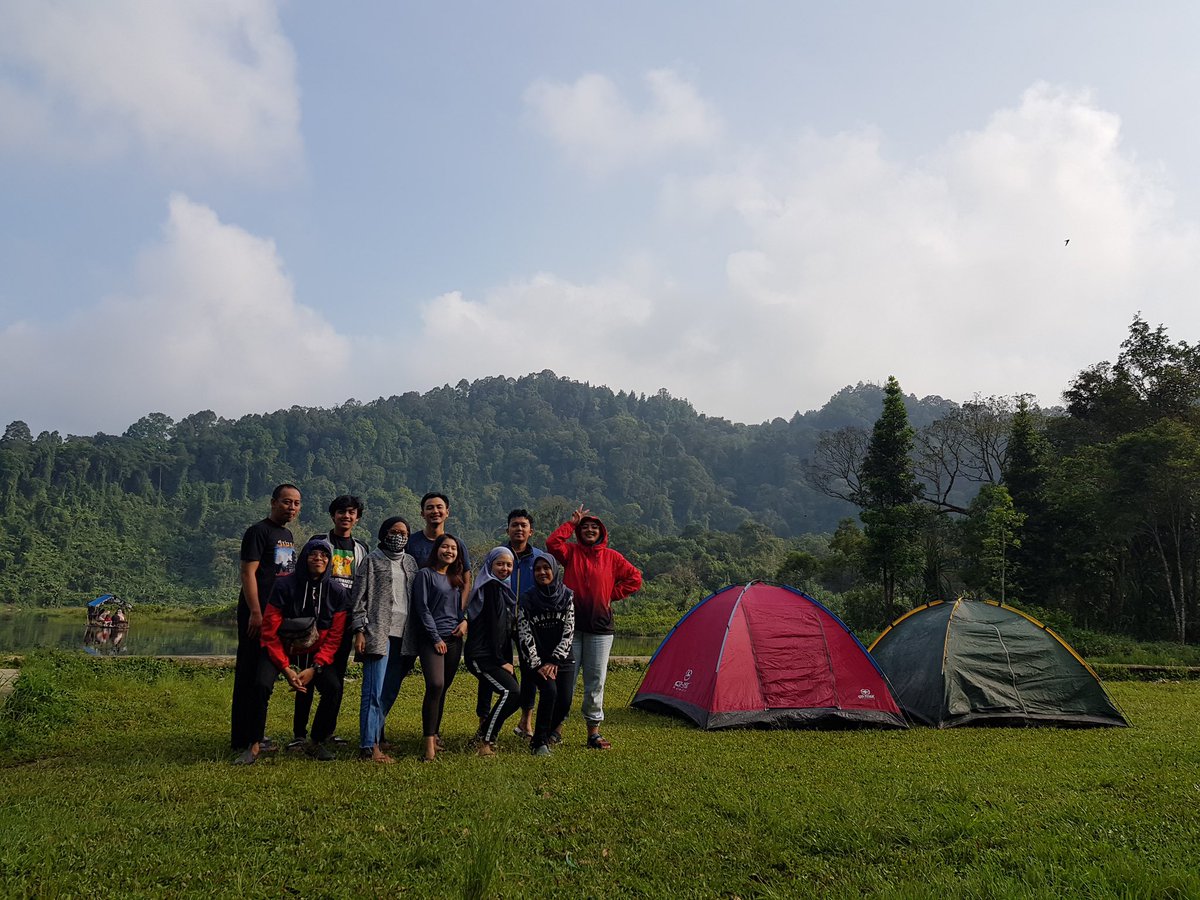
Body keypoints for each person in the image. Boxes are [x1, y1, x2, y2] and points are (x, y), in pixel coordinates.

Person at [235, 537, 348, 765]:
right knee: (261, 685)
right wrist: (285, 668)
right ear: (304, 558)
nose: (318, 558)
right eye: (313, 554)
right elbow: (269, 629)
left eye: (324, 555)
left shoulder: (336, 591)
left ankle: (315, 741)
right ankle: (254, 743)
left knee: (334, 688)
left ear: (330, 561)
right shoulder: (285, 585)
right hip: (282, 649)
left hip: (316, 654)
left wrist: (316, 668)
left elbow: (335, 636)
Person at [546, 505, 642, 749]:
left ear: (601, 532)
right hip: (570, 627)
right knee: (566, 680)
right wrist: (571, 523)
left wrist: (612, 594)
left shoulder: (612, 557)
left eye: (594, 527)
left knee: (595, 680)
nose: (589, 530)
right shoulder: (571, 552)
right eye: (585, 527)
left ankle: (593, 732)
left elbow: (635, 578)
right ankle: (556, 729)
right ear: (579, 531)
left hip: (600, 628)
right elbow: (552, 543)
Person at [290, 495, 369, 750]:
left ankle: (326, 731)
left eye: (351, 513)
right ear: (333, 515)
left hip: (344, 620)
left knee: (335, 675)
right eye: (341, 512)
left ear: (357, 517)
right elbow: (301, 575)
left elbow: (362, 586)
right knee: (307, 676)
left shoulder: (361, 548)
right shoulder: (318, 542)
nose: (346, 516)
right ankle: (299, 734)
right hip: (313, 622)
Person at [231, 483, 300, 755]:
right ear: (273, 503)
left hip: (277, 614)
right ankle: (243, 738)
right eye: (286, 502)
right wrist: (256, 612)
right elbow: (248, 573)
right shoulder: (258, 532)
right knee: (248, 673)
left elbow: (286, 576)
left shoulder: (286, 535)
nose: (291, 507)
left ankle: (256, 734)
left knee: (263, 674)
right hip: (256, 614)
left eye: (296, 503)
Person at [350, 516, 418, 763]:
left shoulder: (411, 562)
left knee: (389, 690)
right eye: (393, 531)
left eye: (403, 532)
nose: (398, 536)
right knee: (373, 691)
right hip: (378, 633)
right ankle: (368, 747)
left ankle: (378, 734)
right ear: (384, 533)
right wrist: (359, 630)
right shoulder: (371, 560)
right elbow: (358, 600)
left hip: (405, 635)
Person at [410, 533, 468, 761]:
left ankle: (435, 737)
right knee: (435, 684)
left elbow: (458, 608)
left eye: (454, 548)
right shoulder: (425, 575)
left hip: (454, 640)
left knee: (443, 689)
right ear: (437, 549)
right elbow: (422, 608)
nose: (449, 551)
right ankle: (428, 747)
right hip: (432, 640)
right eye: (445, 547)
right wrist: (435, 638)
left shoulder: (455, 578)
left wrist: (465, 621)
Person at [516, 552, 575, 756]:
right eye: (537, 569)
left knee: (565, 700)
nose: (542, 572)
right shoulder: (527, 599)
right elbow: (524, 633)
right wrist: (539, 663)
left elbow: (569, 630)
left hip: (562, 658)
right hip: (537, 660)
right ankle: (539, 743)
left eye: (546, 568)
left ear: (554, 570)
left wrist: (555, 660)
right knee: (549, 691)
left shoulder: (567, 596)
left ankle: (547, 733)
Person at [464, 547, 521, 756]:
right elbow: (492, 629)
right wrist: (500, 661)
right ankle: (485, 743)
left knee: (514, 694)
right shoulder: (490, 588)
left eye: (509, 565)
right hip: (482, 656)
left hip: (493, 656)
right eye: (500, 564)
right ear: (490, 565)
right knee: (511, 693)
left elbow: (505, 630)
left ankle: (481, 737)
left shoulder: (502, 590)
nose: (504, 568)